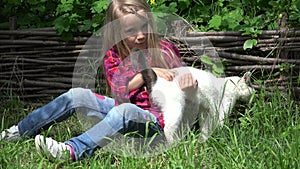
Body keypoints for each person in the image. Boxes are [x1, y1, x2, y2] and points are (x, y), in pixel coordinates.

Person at [0, 0, 197, 161]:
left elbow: (180, 87)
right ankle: (20, 131)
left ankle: (72, 150)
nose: (140, 35)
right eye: (131, 31)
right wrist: (147, 73)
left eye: (144, 26)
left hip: (158, 123)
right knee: (76, 96)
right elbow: (120, 90)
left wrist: (188, 86)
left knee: (124, 111)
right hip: (127, 109)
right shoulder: (114, 56)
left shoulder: (165, 50)